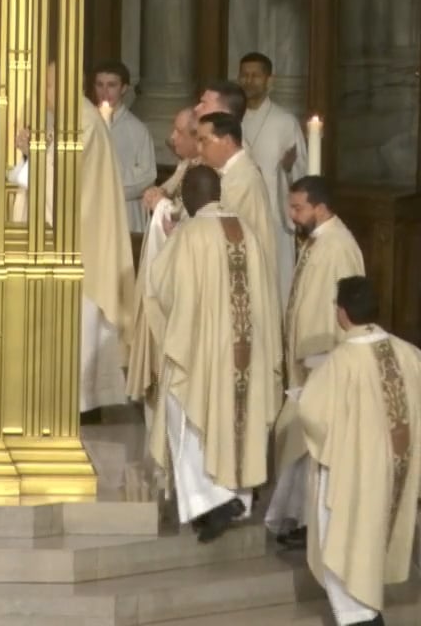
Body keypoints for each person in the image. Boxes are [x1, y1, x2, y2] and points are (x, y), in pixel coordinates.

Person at [146, 165, 282, 544]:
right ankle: (237, 496)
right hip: (247, 350)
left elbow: (163, 286)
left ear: (190, 195)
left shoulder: (191, 235)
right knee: (239, 417)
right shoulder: (248, 233)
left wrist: (169, 240)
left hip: (203, 350)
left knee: (184, 414)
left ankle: (214, 501)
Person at [10, 65, 137, 419]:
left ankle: (81, 404)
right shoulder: (69, 120)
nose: (43, 92)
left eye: (48, 84)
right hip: (66, 237)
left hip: (83, 241)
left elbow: (61, 181)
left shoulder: (82, 121)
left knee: (80, 319)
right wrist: (29, 153)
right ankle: (62, 399)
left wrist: (32, 154)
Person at [295, 275, 421, 626]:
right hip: (397, 468)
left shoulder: (341, 361)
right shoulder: (410, 353)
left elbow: (310, 411)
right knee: (374, 536)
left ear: (342, 313)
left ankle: (360, 616)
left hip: (355, 472)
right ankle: (368, 608)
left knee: (342, 538)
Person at [264, 175, 366, 548]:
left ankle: (310, 524)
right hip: (307, 363)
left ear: (320, 208)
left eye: (298, 208)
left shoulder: (337, 247)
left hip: (323, 363)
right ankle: (299, 518)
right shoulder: (319, 241)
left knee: (311, 448)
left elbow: (342, 309)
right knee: (297, 444)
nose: (292, 216)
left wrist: (322, 362)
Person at [127, 107, 204, 416]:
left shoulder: (208, 173)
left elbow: (194, 220)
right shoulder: (188, 164)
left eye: (178, 132)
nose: (171, 138)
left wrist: (163, 207)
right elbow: (169, 192)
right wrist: (158, 194)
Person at [236, 52, 308, 303]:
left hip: (274, 217)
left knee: (274, 288)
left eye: (256, 75)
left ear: (269, 79)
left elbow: (302, 172)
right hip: (239, 215)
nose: (249, 80)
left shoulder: (285, 122)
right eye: (244, 75)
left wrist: (288, 170)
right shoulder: (232, 120)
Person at [193, 110, 276, 298]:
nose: (198, 149)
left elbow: (215, 225)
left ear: (228, 141)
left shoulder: (243, 180)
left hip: (243, 279)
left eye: (204, 141)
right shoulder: (229, 173)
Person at [90, 61, 157, 236]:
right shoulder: (85, 124)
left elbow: (147, 175)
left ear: (124, 88)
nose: (105, 92)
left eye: (111, 85)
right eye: (100, 85)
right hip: (89, 209)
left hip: (125, 211)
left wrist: (108, 182)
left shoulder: (137, 130)